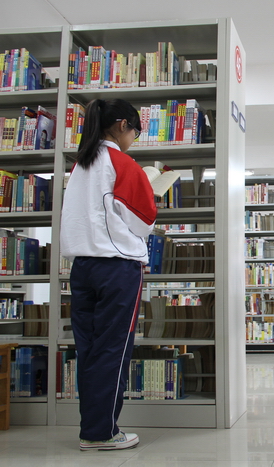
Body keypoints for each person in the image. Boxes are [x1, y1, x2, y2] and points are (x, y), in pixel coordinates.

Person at [60, 99, 156, 451]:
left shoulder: (80, 166)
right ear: (121, 125)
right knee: (114, 350)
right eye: (135, 132)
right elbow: (145, 220)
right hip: (116, 268)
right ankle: (101, 433)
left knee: (89, 349)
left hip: (82, 268)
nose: (133, 139)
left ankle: (92, 428)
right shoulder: (123, 164)